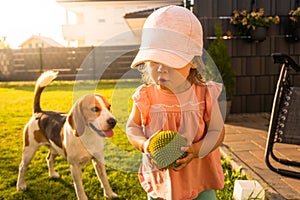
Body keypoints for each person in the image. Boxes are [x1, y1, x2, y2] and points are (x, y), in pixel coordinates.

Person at [126, 5, 225, 200]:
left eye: (171, 61)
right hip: (160, 180)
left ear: (194, 62)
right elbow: (132, 127)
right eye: (154, 60)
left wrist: (196, 150)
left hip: (198, 178)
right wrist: (145, 145)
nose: (162, 68)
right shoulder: (145, 96)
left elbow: (217, 131)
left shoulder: (204, 94)